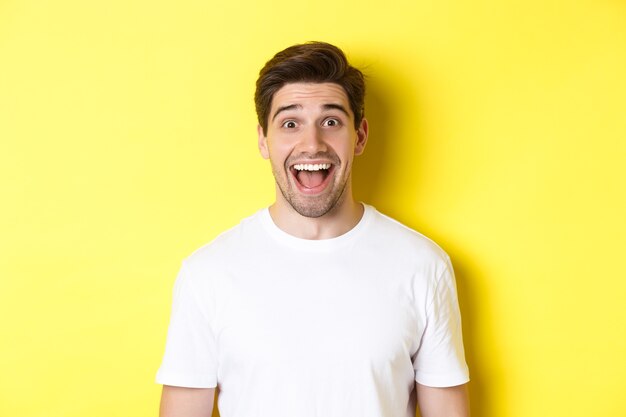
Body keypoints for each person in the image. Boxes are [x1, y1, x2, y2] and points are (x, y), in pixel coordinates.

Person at [156, 41, 470, 417]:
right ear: (263, 140)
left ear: (360, 136)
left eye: (331, 121)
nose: (312, 144)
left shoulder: (423, 266)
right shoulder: (206, 274)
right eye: (290, 123)